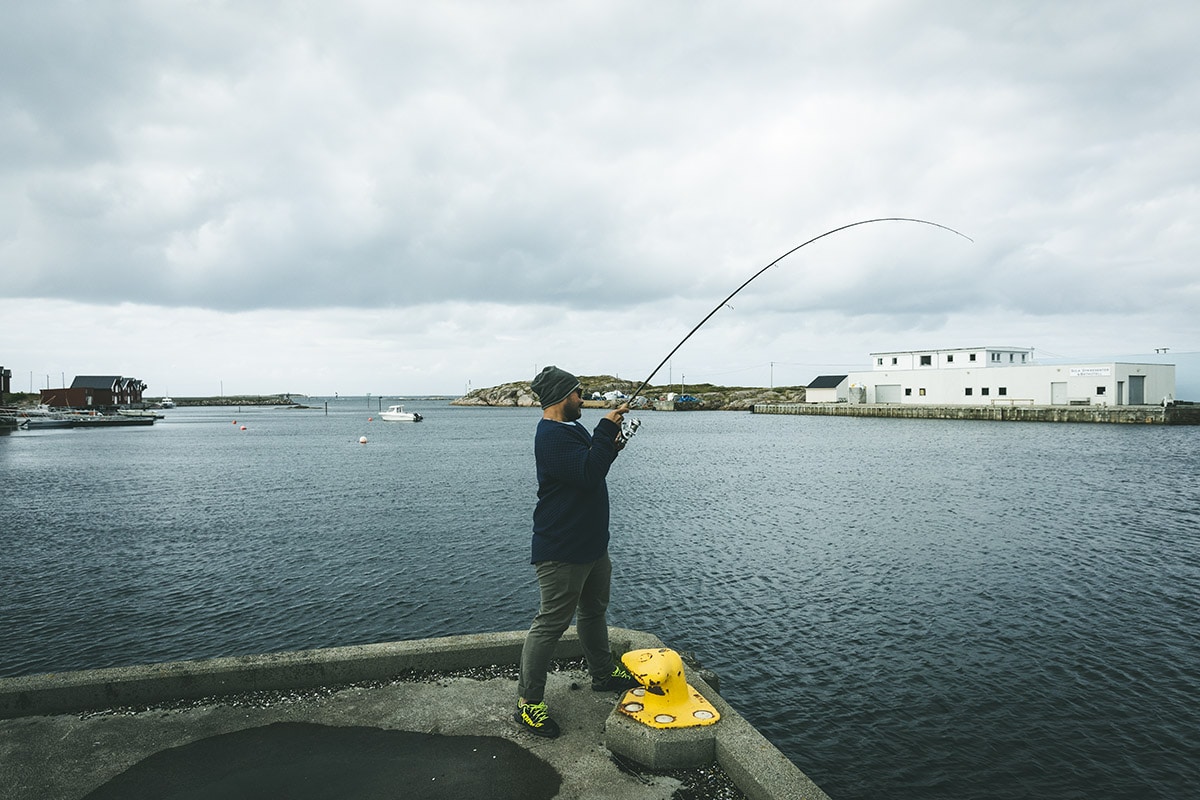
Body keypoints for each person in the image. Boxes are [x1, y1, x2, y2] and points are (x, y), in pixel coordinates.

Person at [514, 365, 640, 738]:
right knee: (550, 624)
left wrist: (611, 438)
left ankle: (602, 673)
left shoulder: (571, 429)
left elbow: (593, 469)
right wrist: (604, 429)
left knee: (593, 612)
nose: (581, 398)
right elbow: (586, 474)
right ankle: (528, 703)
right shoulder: (550, 436)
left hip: (591, 546)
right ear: (559, 398)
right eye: (576, 393)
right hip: (562, 550)